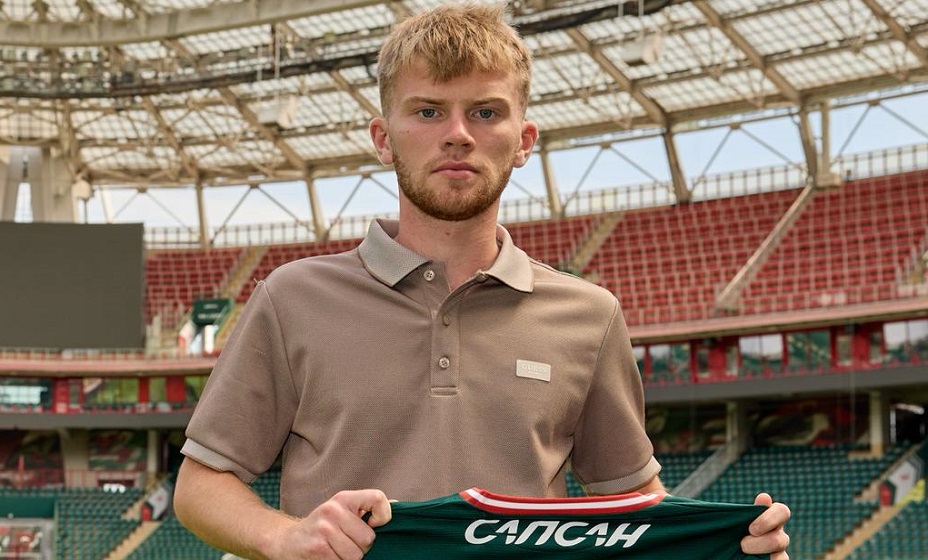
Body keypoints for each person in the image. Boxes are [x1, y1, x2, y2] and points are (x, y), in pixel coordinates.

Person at [174, 4, 791, 560]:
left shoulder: (589, 315)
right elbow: (201, 484)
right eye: (428, 111)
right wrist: (285, 537)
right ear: (383, 139)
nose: (458, 134)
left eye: (485, 112)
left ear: (524, 141)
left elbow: (634, 503)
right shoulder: (292, 298)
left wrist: (732, 543)